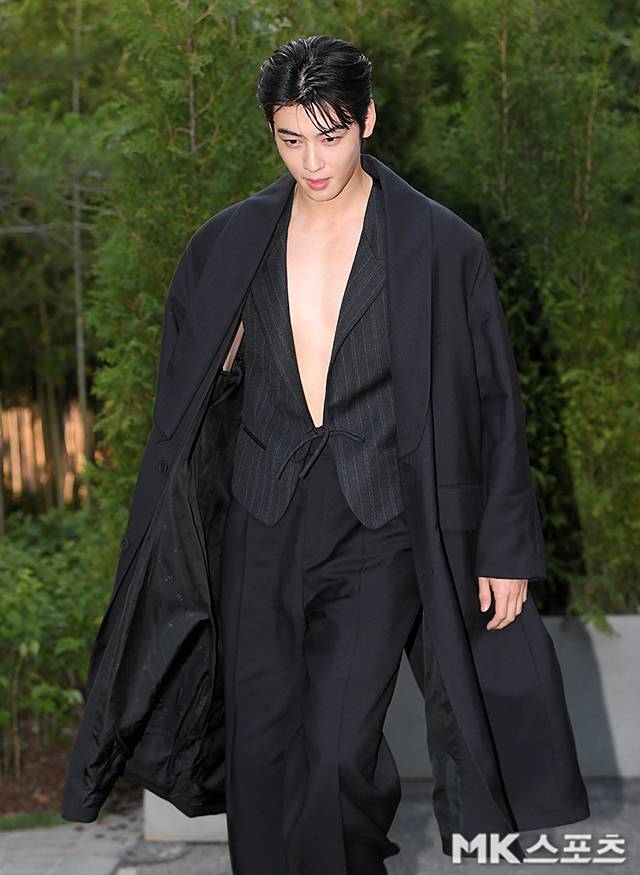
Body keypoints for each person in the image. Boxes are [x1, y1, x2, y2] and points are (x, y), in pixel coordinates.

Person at [60, 34, 590, 874]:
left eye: (330, 136)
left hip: (380, 522)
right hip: (261, 518)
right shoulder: (228, 243)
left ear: (367, 120)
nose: (312, 160)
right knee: (263, 753)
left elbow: (494, 401)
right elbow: (184, 401)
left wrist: (505, 548)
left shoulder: (441, 246)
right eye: (291, 138)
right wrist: (224, 364)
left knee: (339, 751)